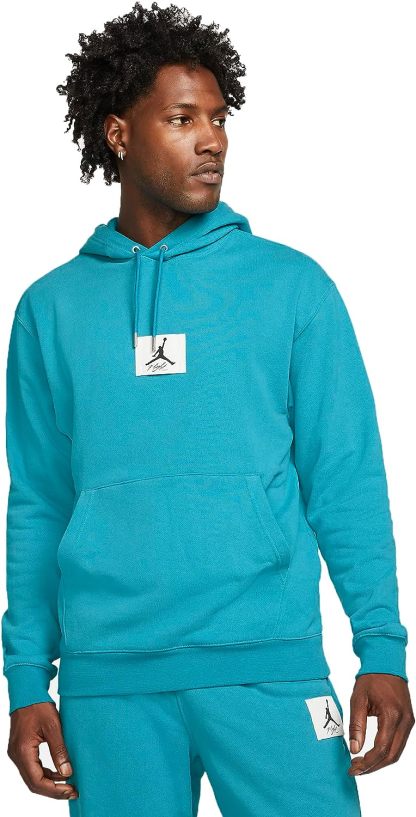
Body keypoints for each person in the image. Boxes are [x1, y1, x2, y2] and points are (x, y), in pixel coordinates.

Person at [2, 3, 414, 815]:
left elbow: (345, 480)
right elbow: (39, 504)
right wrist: (24, 680)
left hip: (270, 664)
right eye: (182, 118)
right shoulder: (51, 309)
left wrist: (382, 649)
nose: (212, 140)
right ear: (119, 134)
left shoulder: (293, 287)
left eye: (219, 118)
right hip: (109, 683)